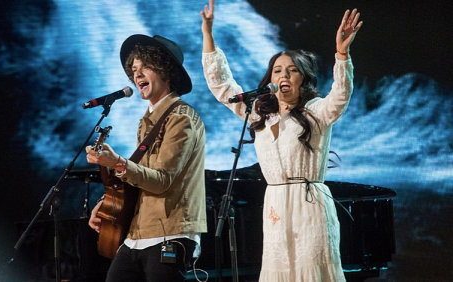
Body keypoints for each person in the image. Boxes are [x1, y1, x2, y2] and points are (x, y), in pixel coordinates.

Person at [200, 0, 363, 281]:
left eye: (292, 70)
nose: (283, 75)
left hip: (309, 204)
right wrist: (208, 36)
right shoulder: (260, 116)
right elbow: (223, 86)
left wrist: (341, 54)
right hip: (275, 204)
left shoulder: (316, 111)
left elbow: (340, 95)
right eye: (277, 70)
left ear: (303, 78)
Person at [85, 34, 207, 282]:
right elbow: (141, 176)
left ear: (166, 72)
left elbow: (161, 180)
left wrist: (117, 162)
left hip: (170, 232)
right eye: (134, 69)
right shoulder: (147, 121)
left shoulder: (181, 118)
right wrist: (108, 204)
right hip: (138, 233)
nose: (137, 74)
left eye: (146, 67)